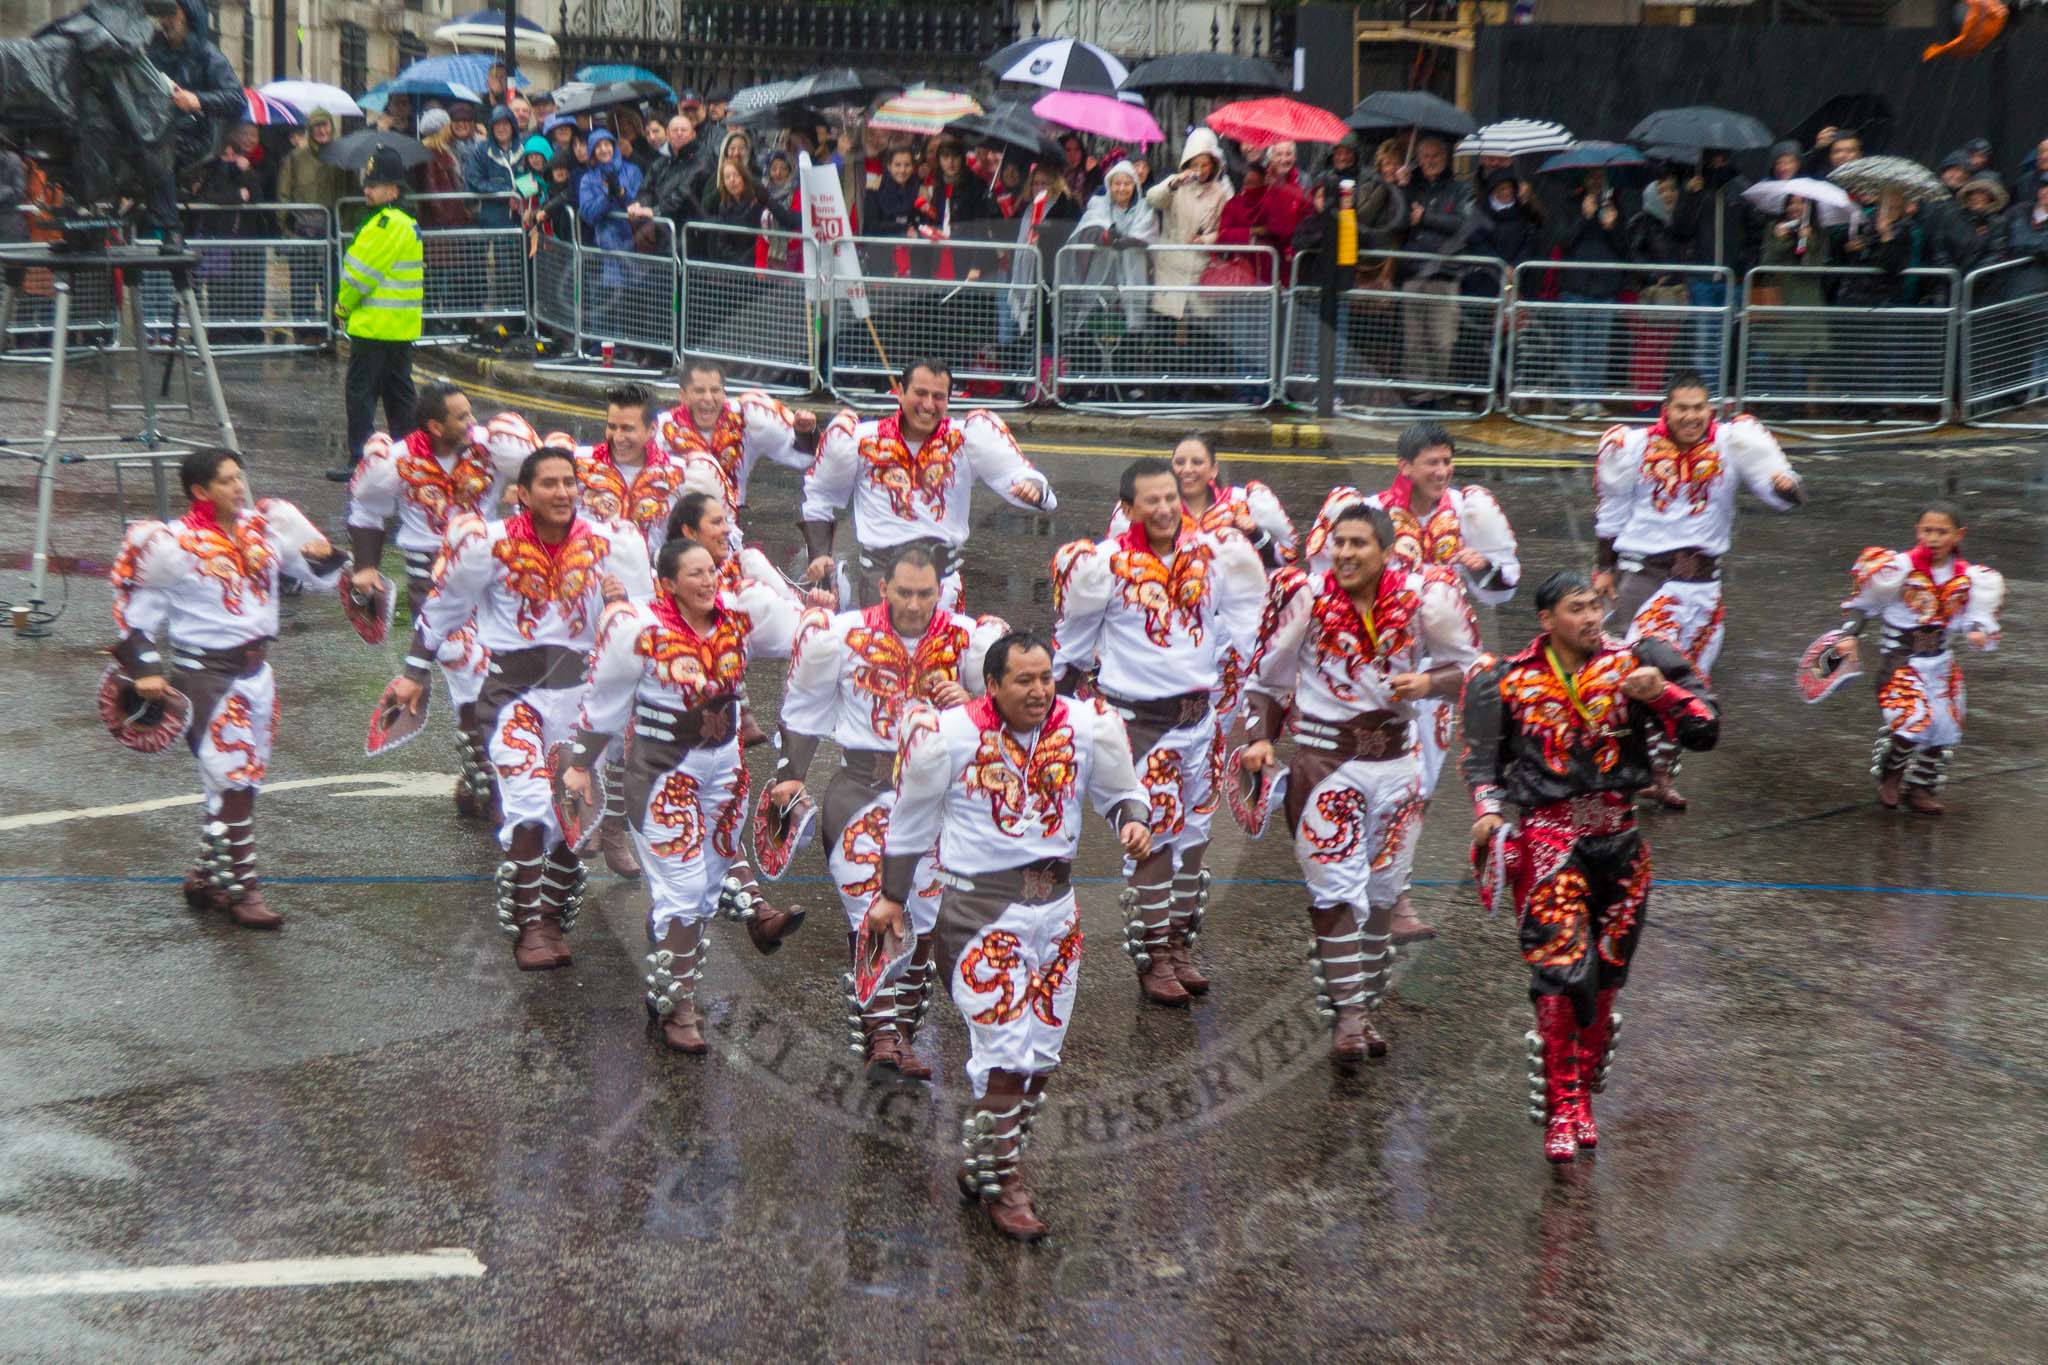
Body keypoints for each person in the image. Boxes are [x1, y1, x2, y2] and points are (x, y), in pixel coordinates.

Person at [867, 631, 1148, 1239]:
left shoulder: (1085, 725)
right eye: (1024, 680)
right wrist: (892, 897)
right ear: (991, 685)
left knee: (1041, 1059)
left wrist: (1133, 821)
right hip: (979, 915)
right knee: (1006, 1054)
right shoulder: (948, 737)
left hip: (1058, 913)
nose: (1040, 690)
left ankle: (986, 1162)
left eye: (1046, 677)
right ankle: (1006, 1182)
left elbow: (1122, 793)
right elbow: (910, 824)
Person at [1461, 570, 1720, 1164]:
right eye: (1576, 608)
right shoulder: (1506, 678)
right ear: (1546, 620)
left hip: (1621, 840)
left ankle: (1584, 1091)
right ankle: (1563, 1102)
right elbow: (1481, 760)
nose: (1591, 617)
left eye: (1596, 605)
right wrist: (1487, 811)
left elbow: (1706, 728)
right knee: (1559, 968)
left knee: (1606, 974)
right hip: (1549, 840)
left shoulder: (1641, 659)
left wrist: (1660, 695)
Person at [381, 448, 654, 971]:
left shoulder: (609, 544)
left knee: (577, 809)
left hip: (581, 702)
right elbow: (444, 609)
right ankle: (528, 926)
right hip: (513, 698)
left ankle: (553, 920)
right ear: (523, 494)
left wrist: (620, 604)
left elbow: (642, 626)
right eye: (549, 484)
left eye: (570, 482)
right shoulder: (490, 544)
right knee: (530, 806)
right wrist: (414, 672)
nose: (563, 492)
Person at [1239, 504, 1481, 1067]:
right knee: (1334, 891)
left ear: (1387, 551)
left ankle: (1365, 1004)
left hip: (1399, 767)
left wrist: (1429, 680)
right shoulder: (1306, 598)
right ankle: (1348, 1015)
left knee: (1380, 894)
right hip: (1326, 764)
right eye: (1338, 543)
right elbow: (1265, 680)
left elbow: (1474, 669)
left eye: (1358, 544)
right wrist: (1260, 739)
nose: (1344, 554)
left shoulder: (1426, 600)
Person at [773, 545, 1009, 1077]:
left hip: (936, 800)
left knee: (922, 921)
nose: (914, 603)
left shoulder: (972, 641)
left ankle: (902, 1030)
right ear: (883, 587)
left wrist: (971, 706)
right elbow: (804, 712)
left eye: (925, 593)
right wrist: (790, 775)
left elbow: (1007, 721)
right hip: (860, 789)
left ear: (941, 591)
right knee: (871, 910)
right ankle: (881, 1035)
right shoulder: (840, 634)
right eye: (904, 592)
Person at [561, 538, 803, 1053]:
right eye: (695, 573)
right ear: (667, 583)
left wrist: (819, 614)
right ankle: (679, 1009)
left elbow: (802, 640)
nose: (709, 580)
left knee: (705, 889)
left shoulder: (739, 617)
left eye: (712, 570)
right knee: (685, 889)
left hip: (725, 773)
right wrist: (581, 763)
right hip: (662, 771)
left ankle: (665, 982)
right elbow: (602, 701)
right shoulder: (639, 628)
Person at [1050, 457, 1265, 1006]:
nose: (1167, 508)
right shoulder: (1103, 566)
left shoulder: (1215, 555)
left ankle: (1179, 943)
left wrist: (1251, 702)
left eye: (1172, 497)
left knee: (1194, 841)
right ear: (1127, 509)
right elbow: (1072, 651)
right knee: (1154, 843)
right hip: (1140, 729)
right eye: (1152, 500)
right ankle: (1155, 958)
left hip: (1202, 723)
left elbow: (1247, 637)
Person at [108, 449, 348, 928]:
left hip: (258, 675)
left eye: (240, 477)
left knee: (239, 783)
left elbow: (318, 578)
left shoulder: (263, 530)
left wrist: (326, 557)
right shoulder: (171, 545)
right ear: (200, 491)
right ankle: (243, 891)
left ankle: (205, 876)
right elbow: (133, 617)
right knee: (234, 781)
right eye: (226, 481)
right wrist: (146, 668)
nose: (239, 488)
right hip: (206, 678)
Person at [1301, 423, 1520, 942]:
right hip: (1368, 675)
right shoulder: (1366, 513)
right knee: (1366, 786)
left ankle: (1394, 897)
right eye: (1431, 463)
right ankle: (1358, 891)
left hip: (1435, 680)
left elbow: (1504, 583)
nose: (1441, 472)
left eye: (1447, 462)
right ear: (1405, 466)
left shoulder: (1467, 511)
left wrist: (1482, 567)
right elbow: (1322, 573)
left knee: (1413, 791)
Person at [1593, 374, 1804, 809]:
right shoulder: (1632, 447)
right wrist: (1603, 568)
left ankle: (1660, 776)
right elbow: (1611, 509)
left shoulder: (1733, 443)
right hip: (1648, 581)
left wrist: (1786, 487)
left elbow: (1777, 487)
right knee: (1633, 675)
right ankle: (1618, 773)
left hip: (1704, 588)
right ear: (1665, 410)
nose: (1691, 416)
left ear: (1711, 410)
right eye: (1682, 407)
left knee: (1687, 686)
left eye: (1698, 407)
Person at [346, 385, 536, 818]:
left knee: (501, 667)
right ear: (435, 427)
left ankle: (477, 779)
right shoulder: (396, 460)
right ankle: (487, 776)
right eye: (462, 418)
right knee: (467, 668)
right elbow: (366, 510)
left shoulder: (492, 450)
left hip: (491, 576)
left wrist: (523, 498)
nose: (474, 424)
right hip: (429, 579)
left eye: (472, 414)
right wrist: (366, 567)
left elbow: (545, 474)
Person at [801, 360, 1055, 609]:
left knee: (939, 651)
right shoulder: (861, 440)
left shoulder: (964, 439)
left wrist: (1032, 487)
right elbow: (821, 496)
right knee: (881, 650)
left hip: (941, 583)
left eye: (938, 396)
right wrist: (821, 557)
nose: (928, 405)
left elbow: (1019, 473)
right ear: (900, 393)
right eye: (920, 393)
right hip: (879, 581)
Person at [1827, 502, 2004, 813]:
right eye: (1927, 530)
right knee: (1911, 724)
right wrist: (1849, 635)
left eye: (1941, 531)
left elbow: (1973, 618)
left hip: (1940, 662)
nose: (1933, 538)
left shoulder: (1970, 577)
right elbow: (1864, 605)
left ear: (1958, 535)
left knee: (1944, 727)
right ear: (1917, 531)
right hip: (1901, 660)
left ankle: (1920, 788)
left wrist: (1977, 631)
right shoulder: (1898, 568)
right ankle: (1891, 775)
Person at [329, 152, 422, 482]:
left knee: (361, 395)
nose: (367, 190)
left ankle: (361, 459)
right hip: (399, 328)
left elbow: (360, 276)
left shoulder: (385, 224)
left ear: (393, 190)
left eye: (375, 185)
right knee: (399, 396)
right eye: (366, 184)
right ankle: (410, 459)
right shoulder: (403, 222)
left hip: (375, 327)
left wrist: (341, 306)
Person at [656, 358, 818, 517]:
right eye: (699, 391)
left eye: (715, 390)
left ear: (724, 393)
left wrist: (804, 432)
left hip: (728, 523)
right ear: (682, 396)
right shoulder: (663, 429)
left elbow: (803, 456)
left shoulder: (746, 416)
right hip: (679, 520)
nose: (708, 398)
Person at [146, 0, 240, 232]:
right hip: (151, 128)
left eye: (171, 13)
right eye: (161, 14)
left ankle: (171, 228)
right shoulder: (151, 51)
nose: (165, 21)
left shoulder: (208, 56)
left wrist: (196, 100)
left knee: (161, 148)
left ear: (187, 14)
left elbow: (237, 99)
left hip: (194, 136)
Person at [1398, 136, 1475, 401]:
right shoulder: (1413, 185)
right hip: (1414, 272)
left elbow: (1464, 225)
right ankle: (1419, 394)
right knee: (1414, 341)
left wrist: (1427, 218)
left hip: (1445, 275)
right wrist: (1402, 187)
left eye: (1435, 156)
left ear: (1446, 159)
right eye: (1425, 157)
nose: (1430, 162)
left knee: (1442, 340)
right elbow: (1398, 220)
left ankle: (1439, 393)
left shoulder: (1460, 188)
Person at [1670, 150, 1753, 389]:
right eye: (1713, 157)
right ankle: (1705, 398)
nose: (1718, 162)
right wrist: (1689, 196)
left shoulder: (1740, 188)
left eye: (1723, 157)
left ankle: (1720, 395)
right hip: (1702, 279)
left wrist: (1743, 263)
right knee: (1704, 343)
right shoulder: (1695, 189)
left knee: (1726, 342)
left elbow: (1753, 232)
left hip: (1732, 279)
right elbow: (1680, 230)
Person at [1553, 169, 1632, 417]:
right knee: (1576, 346)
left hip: (1605, 287)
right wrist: (1583, 216)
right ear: (1583, 180)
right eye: (1592, 177)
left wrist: (1612, 226)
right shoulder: (1569, 205)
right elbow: (1563, 240)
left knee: (1598, 348)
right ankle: (1578, 400)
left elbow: (1625, 248)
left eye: (1601, 178)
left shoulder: (1616, 207)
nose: (1596, 182)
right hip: (1575, 286)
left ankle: (1594, 398)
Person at [1144, 128, 1233, 336]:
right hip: (1170, 267)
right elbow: (1152, 199)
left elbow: (1223, 229)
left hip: (1200, 268)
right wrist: (1174, 183)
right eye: (1195, 164)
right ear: (1187, 163)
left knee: (1198, 337)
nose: (1200, 170)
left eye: (1205, 165)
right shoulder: (1175, 184)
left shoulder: (1220, 194)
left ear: (1213, 166)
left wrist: (1206, 239)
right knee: (1165, 331)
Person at [1063, 159, 1156, 356]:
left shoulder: (1144, 207)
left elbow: (1146, 234)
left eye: (1127, 183)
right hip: (1102, 277)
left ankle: (1126, 380)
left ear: (1135, 185)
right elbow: (1092, 227)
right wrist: (1105, 235)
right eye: (1117, 183)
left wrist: (1126, 240)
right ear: (1109, 185)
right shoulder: (1098, 204)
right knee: (1096, 324)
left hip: (1132, 277)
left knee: (1129, 331)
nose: (1122, 188)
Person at [275, 109, 349, 340]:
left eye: (326, 125)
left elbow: (351, 193)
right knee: (303, 288)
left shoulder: (342, 158)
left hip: (333, 232)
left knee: (333, 286)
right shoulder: (295, 158)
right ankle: (305, 335)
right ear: (310, 129)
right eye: (317, 126)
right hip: (304, 233)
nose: (322, 130)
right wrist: (287, 228)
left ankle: (333, 332)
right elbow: (283, 195)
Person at [577, 130, 643, 251]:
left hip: (635, 239)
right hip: (607, 242)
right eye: (598, 146)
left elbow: (641, 200)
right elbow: (587, 214)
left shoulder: (633, 170)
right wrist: (606, 197)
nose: (603, 149)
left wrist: (622, 193)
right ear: (592, 151)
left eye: (607, 144)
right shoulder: (588, 179)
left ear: (614, 147)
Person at [467, 107, 524, 229]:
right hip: (491, 218)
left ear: (512, 126)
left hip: (521, 217)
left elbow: (531, 177)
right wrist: (506, 192)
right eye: (497, 124)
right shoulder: (481, 150)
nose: (501, 128)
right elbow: (474, 180)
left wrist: (520, 193)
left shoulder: (523, 148)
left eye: (505, 124)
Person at [415, 111, 473, 229]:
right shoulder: (431, 155)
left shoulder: (441, 151)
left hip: (448, 219)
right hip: (443, 223)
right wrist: (446, 219)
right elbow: (433, 192)